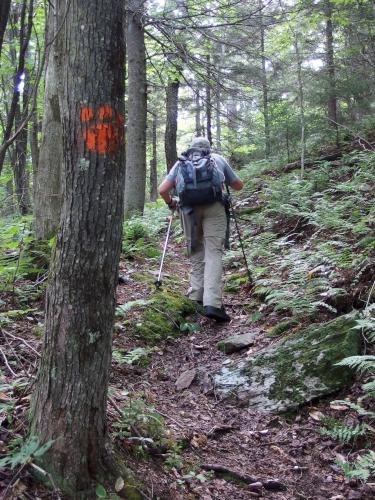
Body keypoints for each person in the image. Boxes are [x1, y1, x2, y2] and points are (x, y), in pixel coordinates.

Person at [158, 137, 243, 322]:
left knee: (195, 250)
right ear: (208, 149)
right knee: (213, 253)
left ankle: (196, 296)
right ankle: (212, 303)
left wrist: (171, 202)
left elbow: (162, 189)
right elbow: (238, 185)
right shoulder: (217, 159)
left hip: (188, 209)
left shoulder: (181, 163)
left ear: (191, 149)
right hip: (215, 208)